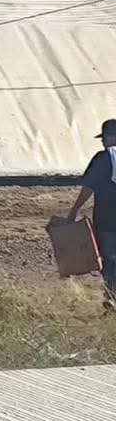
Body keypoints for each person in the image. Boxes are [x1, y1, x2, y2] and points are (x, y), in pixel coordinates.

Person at [66, 118, 116, 308]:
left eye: (105, 137)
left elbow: (88, 187)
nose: (103, 141)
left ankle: (111, 296)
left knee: (109, 257)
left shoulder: (103, 158)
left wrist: (74, 211)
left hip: (107, 217)